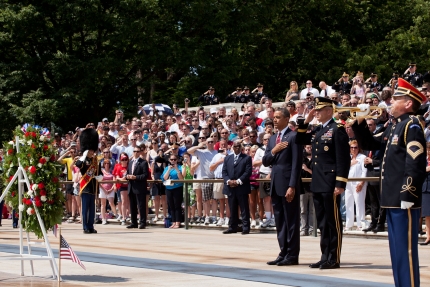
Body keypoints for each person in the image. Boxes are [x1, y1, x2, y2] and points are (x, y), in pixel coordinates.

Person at [351, 78, 426, 286]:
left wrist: (408, 192)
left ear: (409, 103)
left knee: (406, 251)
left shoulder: (412, 126)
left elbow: (415, 162)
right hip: (392, 198)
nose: (391, 102)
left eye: (397, 99)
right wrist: (359, 119)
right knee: (397, 251)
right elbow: (371, 143)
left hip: (403, 198)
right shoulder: (395, 126)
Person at [295, 97, 350, 269]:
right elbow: (300, 139)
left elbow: (342, 158)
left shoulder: (337, 129)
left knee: (333, 221)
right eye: (315, 110)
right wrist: (306, 121)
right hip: (318, 181)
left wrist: (340, 183)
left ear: (329, 111)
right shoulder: (319, 130)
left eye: (319, 110)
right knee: (322, 222)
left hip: (331, 182)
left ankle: (334, 258)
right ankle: (325, 255)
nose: (316, 113)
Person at [263, 107, 303, 266]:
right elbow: (266, 161)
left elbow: (296, 164)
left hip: (288, 185)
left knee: (291, 220)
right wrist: (273, 151)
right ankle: (283, 252)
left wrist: (292, 186)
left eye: (278, 117)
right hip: (275, 185)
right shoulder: (273, 139)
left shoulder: (293, 137)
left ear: (287, 119)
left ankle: (292, 255)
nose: (275, 120)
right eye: (275, 117)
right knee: (280, 221)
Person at [222, 140, 252, 235]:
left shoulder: (247, 158)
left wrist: (238, 181)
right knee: (232, 208)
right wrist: (228, 181)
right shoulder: (228, 158)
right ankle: (232, 227)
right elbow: (224, 172)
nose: (237, 148)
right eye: (235, 146)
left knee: (244, 208)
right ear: (232, 148)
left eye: (239, 146)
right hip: (230, 187)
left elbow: (248, 172)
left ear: (241, 148)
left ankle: (245, 227)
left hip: (241, 187)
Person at [75, 128, 100, 234]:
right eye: (90, 150)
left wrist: (100, 177)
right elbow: (78, 165)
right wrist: (83, 156)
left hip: (93, 186)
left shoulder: (95, 161)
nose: (92, 152)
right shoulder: (83, 160)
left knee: (92, 209)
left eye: (92, 150)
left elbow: (98, 172)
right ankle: (85, 227)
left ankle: (90, 226)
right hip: (85, 187)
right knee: (85, 209)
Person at [344, 140, 367, 231]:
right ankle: (349, 224)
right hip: (348, 183)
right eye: (352, 147)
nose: (353, 149)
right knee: (348, 203)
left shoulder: (362, 157)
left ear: (358, 148)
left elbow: (364, 171)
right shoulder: (347, 157)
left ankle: (360, 224)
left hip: (358, 183)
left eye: (355, 147)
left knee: (359, 203)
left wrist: (361, 183)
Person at [125, 146, 149, 229]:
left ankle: (143, 222)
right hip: (131, 186)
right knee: (132, 206)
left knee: (141, 206)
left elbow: (145, 175)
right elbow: (127, 173)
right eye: (134, 151)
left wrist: (135, 177)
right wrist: (127, 176)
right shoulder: (130, 162)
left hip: (139, 187)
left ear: (140, 153)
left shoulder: (143, 162)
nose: (136, 153)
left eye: (138, 151)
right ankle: (134, 222)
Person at [161, 154, 185, 229]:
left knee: (177, 205)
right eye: (171, 160)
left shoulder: (180, 167)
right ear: (169, 160)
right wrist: (169, 169)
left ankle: (178, 222)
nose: (173, 161)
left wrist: (177, 169)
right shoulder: (167, 168)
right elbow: (164, 177)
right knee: (171, 206)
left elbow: (181, 178)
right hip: (169, 188)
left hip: (177, 187)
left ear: (177, 160)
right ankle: (173, 221)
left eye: (174, 159)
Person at [112, 153, 130, 225]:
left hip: (129, 186)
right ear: (120, 160)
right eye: (123, 159)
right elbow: (116, 176)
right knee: (122, 201)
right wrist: (115, 184)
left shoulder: (129, 166)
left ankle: (128, 215)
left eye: (125, 159)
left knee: (128, 201)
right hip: (121, 186)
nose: (124, 161)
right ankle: (123, 217)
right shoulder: (118, 166)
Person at [99, 159, 116, 225]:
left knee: (111, 202)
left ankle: (116, 214)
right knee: (103, 204)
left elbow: (114, 181)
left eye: (108, 163)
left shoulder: (112, 171)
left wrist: (111, 189)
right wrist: (104, 190)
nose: (107, 164)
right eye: (105, 163)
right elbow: (99, 182)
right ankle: (103, 219)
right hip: (103, 189)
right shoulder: (101, 171)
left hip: (110, 189)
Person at [420, 141, 430, 245]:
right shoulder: (424, 160)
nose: (428, 152)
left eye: (429, 150)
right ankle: (428, 236)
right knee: (427, 214)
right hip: (425, 188)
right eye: (427, 150)